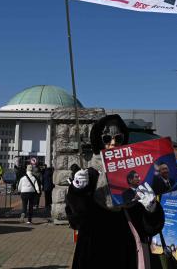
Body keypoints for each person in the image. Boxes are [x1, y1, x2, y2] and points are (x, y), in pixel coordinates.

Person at [66, 114, 165, 269]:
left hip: (127, 251)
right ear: (99, 140)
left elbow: (149, 227)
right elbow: (76, 221)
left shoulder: (134, 172)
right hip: (94, 251)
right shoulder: (90, 175)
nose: (113, 144)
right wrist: (77, 192)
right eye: (107, 139)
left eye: (118, 139)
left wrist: (152, 209)